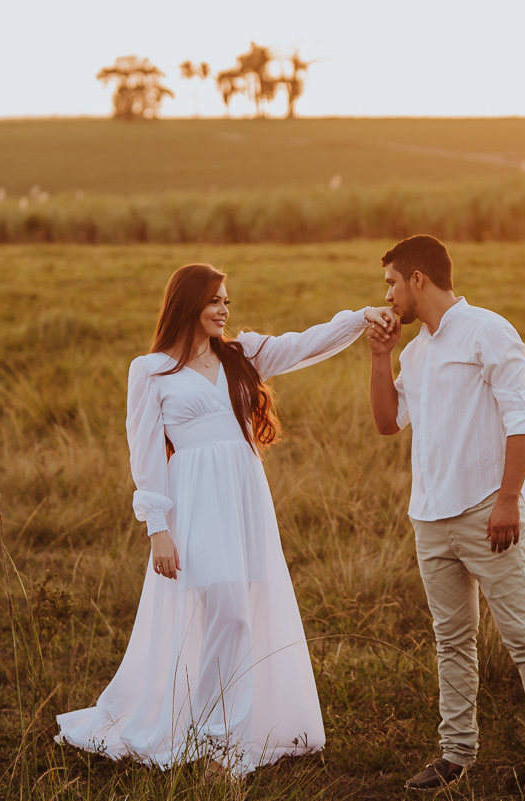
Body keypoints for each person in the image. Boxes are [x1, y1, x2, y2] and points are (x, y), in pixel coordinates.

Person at [56, 263, 393, 778]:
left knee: (239, 610)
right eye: (215, 301)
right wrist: (157, 530)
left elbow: (306, 344)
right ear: (188, 303)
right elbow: (145, 459)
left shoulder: (242, 355)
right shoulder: (150, 372)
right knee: (228, 611)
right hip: (194, 503)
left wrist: (360, 318)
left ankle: (222, 733)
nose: (224, 310)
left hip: (244, 499)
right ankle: (218, 743)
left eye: (227, 301)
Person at [365, 235, 525, 797]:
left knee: (523, 635)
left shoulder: (488, 330)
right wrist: (380, 356)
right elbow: (389, 423)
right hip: (430, 518)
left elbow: (524, 419)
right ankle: (456, 754)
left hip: (489, 511)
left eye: (391, 282)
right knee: (452, 639)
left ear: (418, 279)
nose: (387, 296)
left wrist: (509, 500)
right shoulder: (415, 352)